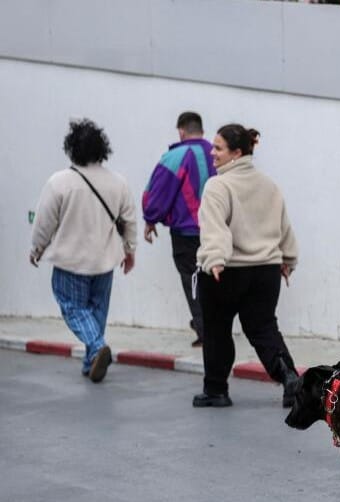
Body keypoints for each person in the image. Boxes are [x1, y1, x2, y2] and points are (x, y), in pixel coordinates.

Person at [192, 124, 300, 408]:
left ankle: (216, 390)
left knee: (217, 330)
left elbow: (214, 228)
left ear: (236, 153)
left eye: (218, 148)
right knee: (264, 327)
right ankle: (290, 379)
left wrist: (214, 259)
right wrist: (288, 258)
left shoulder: (218, 185)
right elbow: (283, 224)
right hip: (266, 270)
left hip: (227, 270)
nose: (212, 153)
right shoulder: (269, 184)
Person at [30, 118, 137, 383]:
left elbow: (45, 220)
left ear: (71, 148)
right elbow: (130, 220)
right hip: (105, 259)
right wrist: (130, 250)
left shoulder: (59, 182)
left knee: (73, 307)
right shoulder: (118, 182)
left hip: (71, 261)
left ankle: (97, 347)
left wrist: (37, 248)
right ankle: (92, 361)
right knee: (96, 309)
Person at [142, 111, 216, 347]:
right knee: (213, 278)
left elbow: (158, 192)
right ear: (202, 130)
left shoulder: (175, 156)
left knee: (192, 279)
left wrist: (151, 218)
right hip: (217, 231)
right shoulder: (218, 153)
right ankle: (212, 326)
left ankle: (205, 330)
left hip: (186, 232)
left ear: (181, 131)